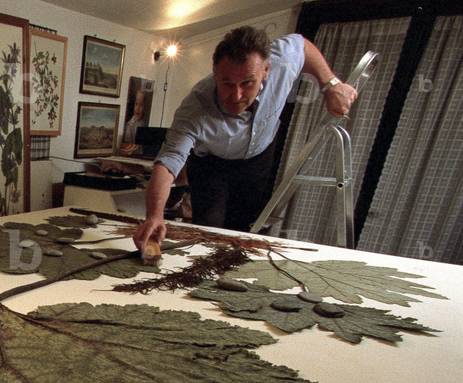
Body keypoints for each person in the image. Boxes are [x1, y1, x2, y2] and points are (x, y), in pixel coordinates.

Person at [133, 26, 358, 249]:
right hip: (211, 165)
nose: (237, 95)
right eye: (227, 84)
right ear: (215, 72)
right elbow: (169, 161)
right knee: (209, 230)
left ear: (266, 70)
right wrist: (154, 215)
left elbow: (302, 45)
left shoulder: (282, 62)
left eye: (247, 83)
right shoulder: (195, 107)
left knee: (245, 230)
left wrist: (331, 84)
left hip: (258, 158)